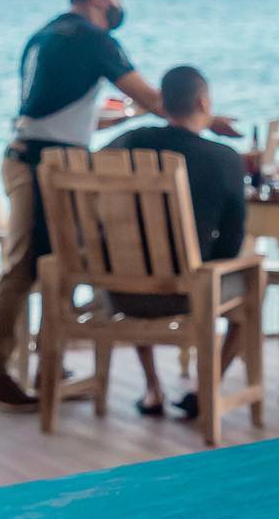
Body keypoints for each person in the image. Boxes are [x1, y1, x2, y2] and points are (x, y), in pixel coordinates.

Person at [0, 0, 236, 410]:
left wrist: (123, 117)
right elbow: (157, 99)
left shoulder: (47, 35)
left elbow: (58, 116)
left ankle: (47, 362)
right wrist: (207, 120)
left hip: (31, 154)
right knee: (23, 266)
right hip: (41, 164)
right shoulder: (94, 39)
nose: (120, 4)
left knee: (59, 259)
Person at [105, 66, 249, 419]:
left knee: (136, 257)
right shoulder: (225, 159)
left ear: (162, 104)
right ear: (203, 103)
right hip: (189, 292)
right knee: (251, 288)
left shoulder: (129, 143)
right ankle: (207, 386)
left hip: (120, 292)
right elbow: (230, 247)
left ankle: (153, 387)